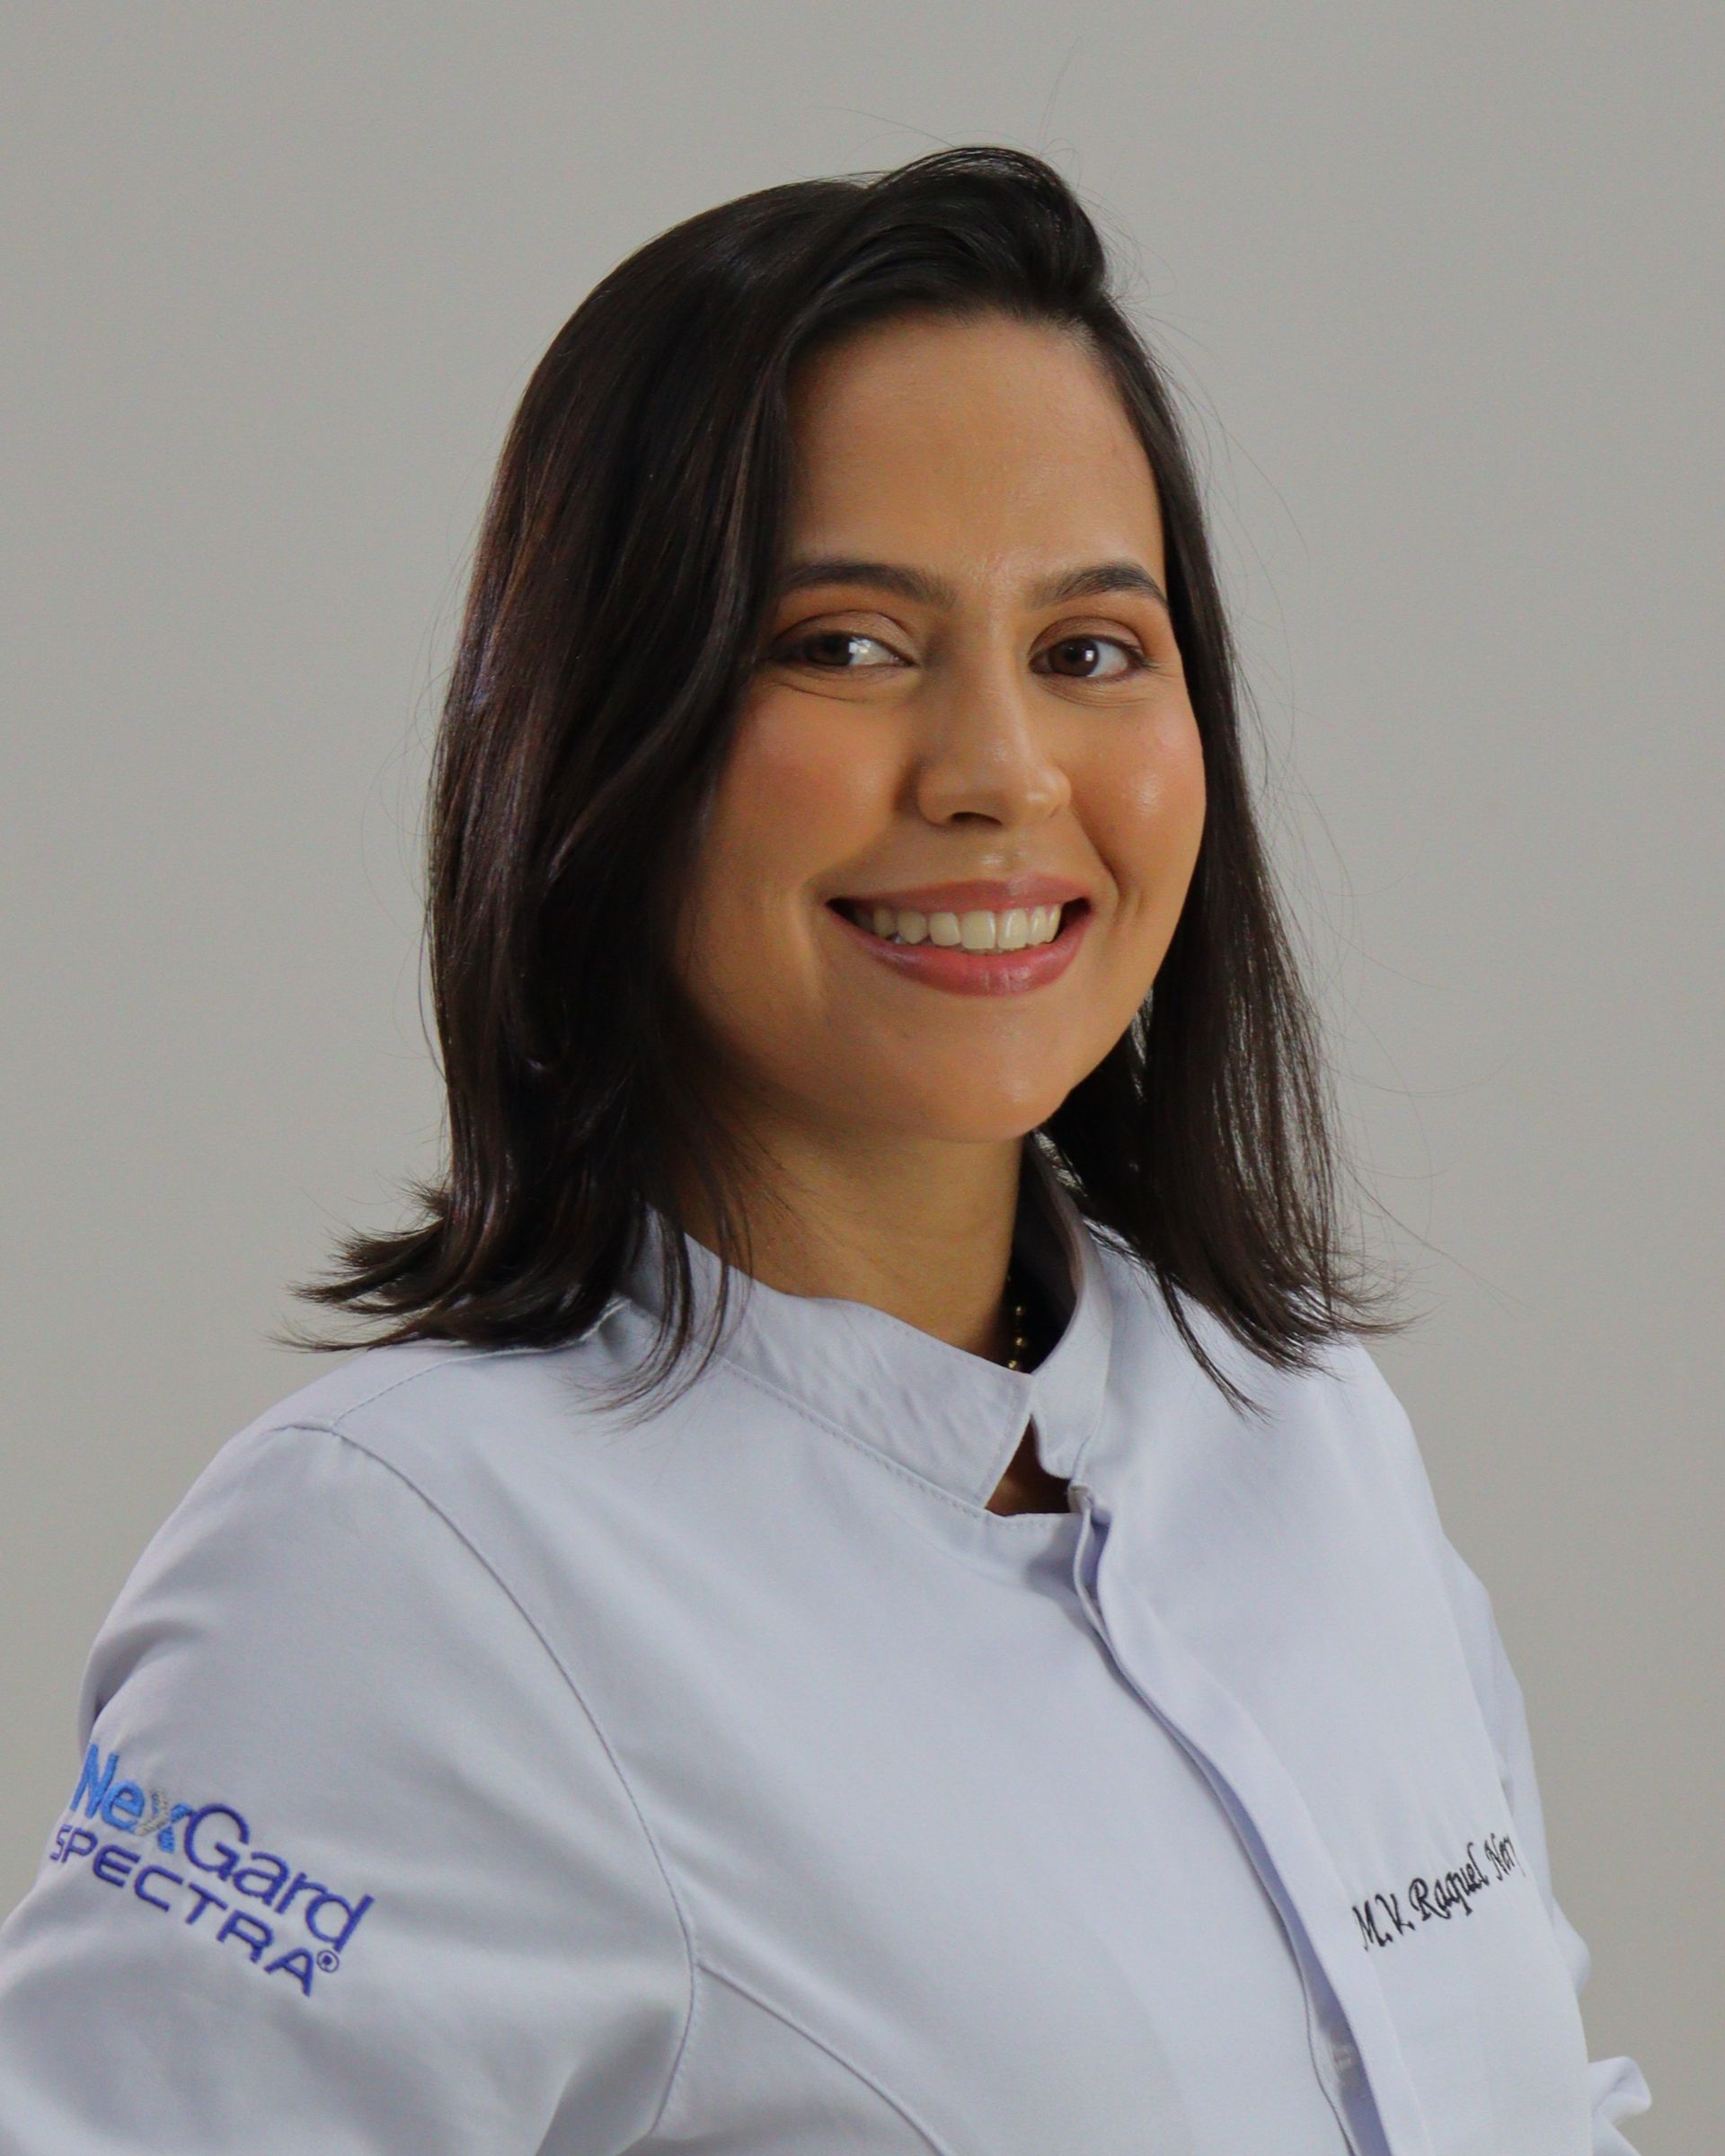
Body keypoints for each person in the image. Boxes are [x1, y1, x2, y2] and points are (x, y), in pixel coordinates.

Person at [0, 146, 1650, 2154]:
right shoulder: (386, 1578)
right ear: (610, 731)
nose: (998, 773)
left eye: (1092, 650)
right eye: (848, 645)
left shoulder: (1305, 1437)